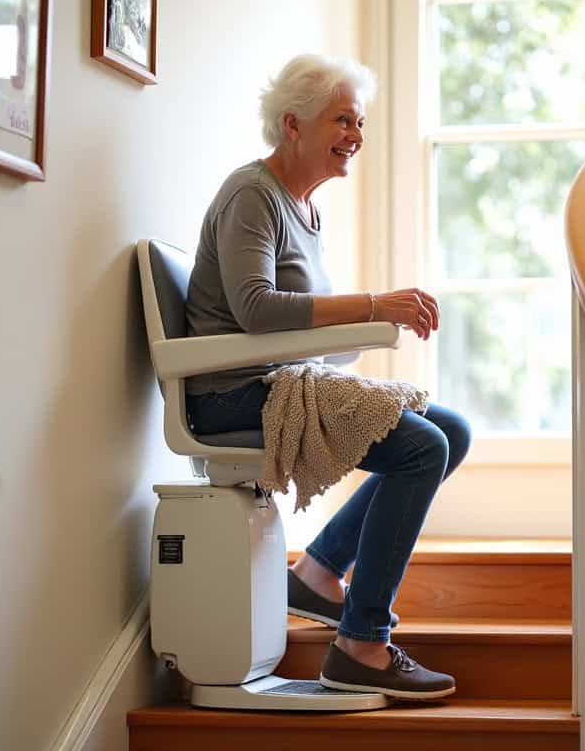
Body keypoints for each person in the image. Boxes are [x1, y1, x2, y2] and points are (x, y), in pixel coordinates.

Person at [183, 54, 471, 700]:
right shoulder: (251, 194)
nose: (356, 136)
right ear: (293, 124)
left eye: (360, 123)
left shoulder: (305, 211)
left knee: (452, 427)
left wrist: (359, 328)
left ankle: (316, 574)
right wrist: (373, 306)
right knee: (422, 448)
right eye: (343, 120)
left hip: (277, 384)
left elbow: (305, 335)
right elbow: (257, 309)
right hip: (229, 393)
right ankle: (360, 643)